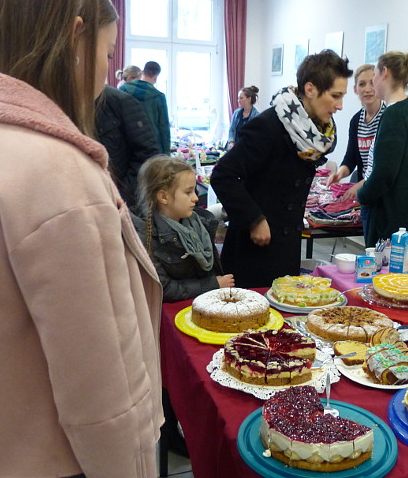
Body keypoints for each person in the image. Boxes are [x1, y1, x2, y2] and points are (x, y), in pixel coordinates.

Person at [0, 0, 164, 476]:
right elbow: (100, 388)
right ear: (75, 38)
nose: (107, 74)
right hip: (56, 460)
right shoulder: (56, 172)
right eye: (108, 54)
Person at [210, 49, 352, 288]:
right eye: (335, 96)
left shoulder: (315, 135)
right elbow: (223, 175)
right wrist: (254, 219)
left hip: (285, 247)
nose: (339, 105)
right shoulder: (268, 126)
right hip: (253, 252)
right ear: (310, 89)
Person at [357, 51, 408, 249]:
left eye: (374, 75)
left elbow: (384, 174)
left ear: (385, 73)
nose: (373, 81)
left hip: (393, 221)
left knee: (387, 279)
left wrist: (362, 195)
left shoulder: (394, 115)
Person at [134, 155, 234, 302]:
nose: (195, 198)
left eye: (195, 191)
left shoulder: (198, 223)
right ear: (163, 197)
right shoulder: (146, 236)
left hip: (201, 303)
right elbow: (164, 288)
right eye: (188, 192)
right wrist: (213, 284)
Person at [326, 63, 386, 201]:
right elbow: (351, 158)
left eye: (372, 83)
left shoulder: (387, 117)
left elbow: (384, 168)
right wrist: (339, 174)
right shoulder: (356, 120)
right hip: (365, 194)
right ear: (355, 89)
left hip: (382, 193)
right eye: (362, 84)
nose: (367, 89)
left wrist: (361, 185)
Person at [96, 84, 159, 208]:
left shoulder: (120, 102)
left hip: (119, 201)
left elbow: (147, 153)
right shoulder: (59, 103)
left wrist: (122, 195)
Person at [120, 60, 171, 155]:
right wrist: (166, 153)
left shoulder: (123, 90)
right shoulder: (159, 97)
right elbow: (163, 127)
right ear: (155, 78)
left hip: (127, 145)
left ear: (142, 73)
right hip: (152, 146)